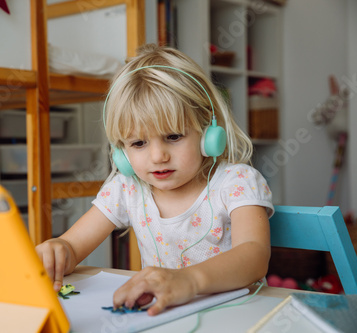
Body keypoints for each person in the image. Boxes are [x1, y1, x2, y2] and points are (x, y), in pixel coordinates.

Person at [36, 44, 273, 316]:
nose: (158, 156)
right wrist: (59, 251)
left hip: (238, 316)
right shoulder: (127, 189)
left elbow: (254, 256)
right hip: (165, 317)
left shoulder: (236, 182)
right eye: (138, 143)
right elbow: (72, 247)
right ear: (121, 152)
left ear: (208, 131)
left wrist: (190, 280)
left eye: (173, 137)